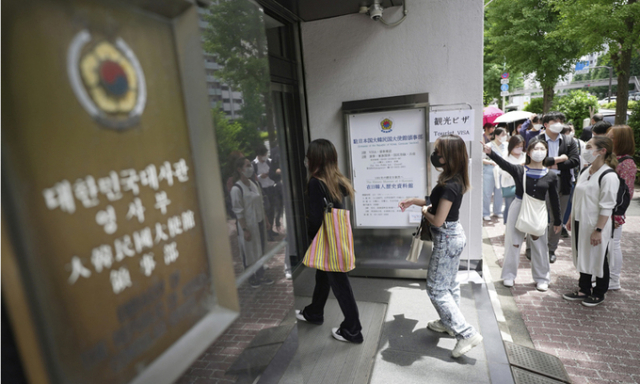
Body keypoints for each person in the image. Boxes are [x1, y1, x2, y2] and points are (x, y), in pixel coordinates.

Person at [399, 135, 483, 358]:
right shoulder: (454, 179)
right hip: (453, 236)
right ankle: (449, 323)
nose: (435, 155)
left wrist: (424, 211)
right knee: (449, 284)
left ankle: (465, 333)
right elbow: (435, 202)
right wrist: (415, 201)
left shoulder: (450, 184)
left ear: (449, 156)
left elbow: (437, 219)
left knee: (436, 289)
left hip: (446, 238)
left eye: (439, 151)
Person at [295, 139, 363, 343]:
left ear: (315, 159)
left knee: (340, 284)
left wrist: (313, 239)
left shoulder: (316, 182)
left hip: (327, 240)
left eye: (309, 156)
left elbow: (316, 218)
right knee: (323, 276)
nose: (306, 160)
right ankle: (314, 312)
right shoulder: (338, 181)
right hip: (339, 237)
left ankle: (353, 330)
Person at [482, 138, 561, 291]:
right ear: (529, 152)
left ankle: (542, 278)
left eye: (542, 149)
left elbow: (554, 199)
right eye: (535, 149)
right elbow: (505, 165)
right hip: (518, 207)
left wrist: (557, 220)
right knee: (513, 243)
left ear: (546, 153)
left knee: (539, 245)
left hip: (538, 210)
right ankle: (508, 275)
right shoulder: (520, 170)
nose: (539, 152)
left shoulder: (551, 175)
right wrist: (490, 153)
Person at [563, 136, 619, 307]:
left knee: (598, 257)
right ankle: (584, 289)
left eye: (589, 147)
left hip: (596, 224)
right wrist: (571, 218)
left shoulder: (608, 176)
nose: (585, 151)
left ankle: (599, 292)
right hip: (581, 221)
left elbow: (607, 206)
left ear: (602, 151)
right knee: (583, 254)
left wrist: (599, 229)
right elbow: (577, 198)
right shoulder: (585, 171)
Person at [525, 112, 579, 264]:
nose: (559, 123)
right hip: (541, 180)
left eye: (561, 120)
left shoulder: (569, 140)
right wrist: (560, 159)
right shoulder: (537, 140)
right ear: (546, 124)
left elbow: (574, 161)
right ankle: (531, 247)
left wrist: (550, 162)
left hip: (563, 182)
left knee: (558, 217)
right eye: (555, 120)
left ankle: (550, 249)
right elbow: (534, 159)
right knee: (536, 215)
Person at [230, 157, 274, 288]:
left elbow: (260, 204)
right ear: (240, 169)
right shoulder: (236, 189)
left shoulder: (254, 184)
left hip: (259, 223)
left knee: (260, 250)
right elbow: (238, 211)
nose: (251, 168)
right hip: (248, 226)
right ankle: (251, 278)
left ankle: (261, 275)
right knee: (248, 251)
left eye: (250, 165)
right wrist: (244, 229)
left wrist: (266, 221)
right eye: (248, 165)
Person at [607, 125, 637, 290]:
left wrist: (618, 215)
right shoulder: (614, 158)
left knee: (614, 244)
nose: (608, 140)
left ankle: (614, 279)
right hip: (606, 210)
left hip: (614, 212)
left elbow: (627, 192)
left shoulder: (627, 163)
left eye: (612, 138)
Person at [252, 145, 279, 239]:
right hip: (262, 189)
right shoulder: (254, 164)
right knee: (266, 210)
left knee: (272, 210)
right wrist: (260, 176)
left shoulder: (270, 162)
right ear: (258, 155)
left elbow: (275, 172)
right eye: (263, 155)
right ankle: (267, 232)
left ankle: (271, 229)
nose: (265, 156)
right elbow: (252, 178)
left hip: (272, 187)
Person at [499, 135, 526, 224]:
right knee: (509, 207)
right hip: (510, 186)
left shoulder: (525, 156)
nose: (519, 149)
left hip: (523, 186)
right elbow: (504, 173)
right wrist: (519, 167)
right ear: (511, 146)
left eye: (521, 147)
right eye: (517, 147)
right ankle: (507, 226)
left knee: (522, 208)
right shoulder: (505, 158)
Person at [482, 127, 508, 221]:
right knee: (487, 193)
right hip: (489, 171)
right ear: (496, 136)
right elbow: (482, 159)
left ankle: (497, 211)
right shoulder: (489, 145)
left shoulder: (506, 146)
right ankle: (485, 212)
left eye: (505, 134)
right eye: (503, 135)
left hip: (501, 172)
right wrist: (491, 162)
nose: (505, 136)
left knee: (499, 193)